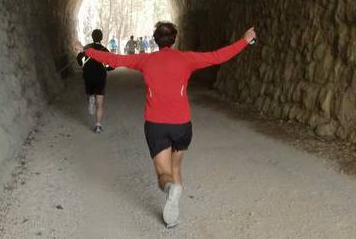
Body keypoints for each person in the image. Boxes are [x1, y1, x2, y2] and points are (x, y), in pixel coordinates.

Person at [85, 21, 256, 228]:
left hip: (157, 125)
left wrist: (86, 51)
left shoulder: (145, 60)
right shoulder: (187, 58)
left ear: (155, 40)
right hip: (182, 125)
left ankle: (169, 191)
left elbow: (115, 59)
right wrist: (245, 40)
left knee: (163, 174)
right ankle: (173, 212)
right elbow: (218, 56)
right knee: (176, 167)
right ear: (174, 39)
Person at [76, 29, 114, 133]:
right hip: (100, 75)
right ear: (101, 38)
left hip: (88, 73)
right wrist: (107, 69)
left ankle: (91, 98)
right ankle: (98, 125)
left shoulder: (87, 47)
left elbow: (79, 57)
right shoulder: (104, 49)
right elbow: (111, 64)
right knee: (100, 103)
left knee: (90, 92)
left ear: (92, 37)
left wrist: (82, 65)